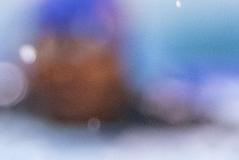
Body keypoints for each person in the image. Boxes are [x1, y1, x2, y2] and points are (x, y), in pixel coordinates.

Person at [18, 0, 207, 128]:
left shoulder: (171, 125)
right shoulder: (10, 113)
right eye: (50, 65)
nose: (62, 77)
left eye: (82, 54)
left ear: (118, 65)